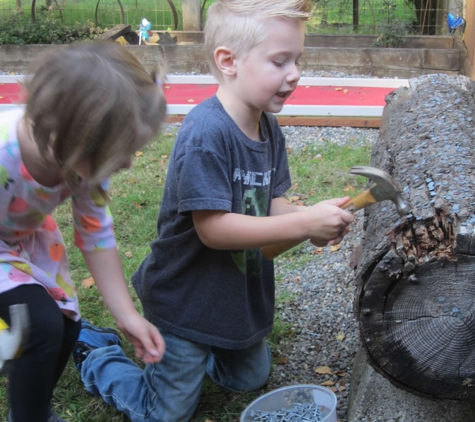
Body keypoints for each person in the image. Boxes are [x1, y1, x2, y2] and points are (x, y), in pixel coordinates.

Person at [74, 1, 355, 421]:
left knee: (249, 378)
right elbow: (213, 230)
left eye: (297, 60)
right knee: (165, 414)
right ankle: (96, 352)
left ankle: (191, 358)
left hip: (232, 299)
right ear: (229, 61)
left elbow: (270, 203)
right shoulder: (207, 132)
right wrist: (303, 220)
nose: (294, 73)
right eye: (280, 62)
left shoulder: (267, 126)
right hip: (185, 301)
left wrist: (306, 221)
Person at [0, 41, 167, 422]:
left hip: (23, 236)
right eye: (119, 152)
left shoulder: (78, 163)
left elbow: (95, 236)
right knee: (36, 323)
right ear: (66, 140)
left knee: (65, 323)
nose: (126, 163)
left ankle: (33, 405)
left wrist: (126, 315)